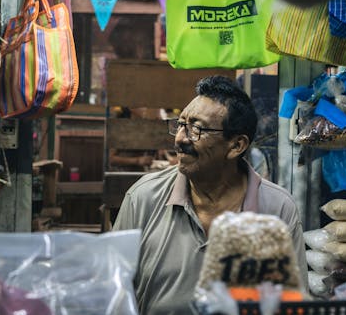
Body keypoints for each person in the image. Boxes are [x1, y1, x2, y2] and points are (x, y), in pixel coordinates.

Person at [112, 75, 308, 314]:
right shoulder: (144, 198)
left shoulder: (278, 209)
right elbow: (113, 293)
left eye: (196, 129)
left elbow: (290, 304)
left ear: (236, 146)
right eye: (181, 125)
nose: (180, 138)